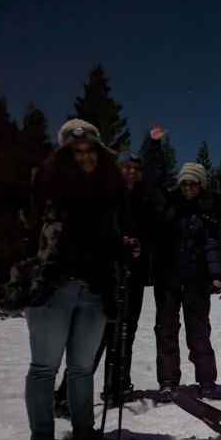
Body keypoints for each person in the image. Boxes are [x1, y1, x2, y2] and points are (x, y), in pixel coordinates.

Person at [21, 119, 127, 440]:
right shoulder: (46, 186)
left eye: (90, 150)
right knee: (44, 367)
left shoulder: (109, 191)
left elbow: (111, 238)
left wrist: (126, 248)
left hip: (95, 291)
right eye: (76, 151)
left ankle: (85, 435)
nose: (84, 157)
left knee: (82, 369)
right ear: (65, 155)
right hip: (54, 288)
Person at [54, 152, 154, 412]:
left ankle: (116, 387)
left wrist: (143, 248)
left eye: (136, 168)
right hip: (105, 275)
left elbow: (153, 235)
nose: (131, 172)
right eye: (126, 167)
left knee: (125, 333)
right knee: (95, 336)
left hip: (134, 275)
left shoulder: (145, 201)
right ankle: (67, 393)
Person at [150, 138, 221, 402]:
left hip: (196, 283)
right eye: (184, 183)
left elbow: (211, 247)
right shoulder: (171, 207)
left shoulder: (207, 213)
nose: (187, 188)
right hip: (168, 282)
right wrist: (155, 145)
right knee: (166, 332)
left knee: (199, 334)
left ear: (200, 185)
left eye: (192, 183)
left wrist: (216, 276)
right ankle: (168, 382)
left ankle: (207, 383)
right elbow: (159, 173)